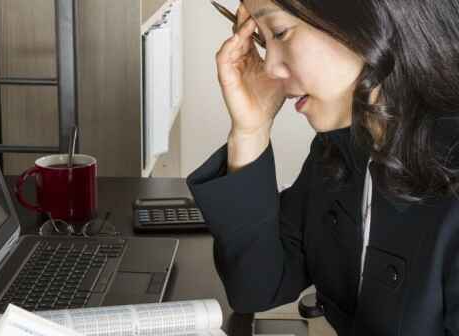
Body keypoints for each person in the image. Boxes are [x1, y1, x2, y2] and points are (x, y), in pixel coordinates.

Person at [185, 0, 459, 335]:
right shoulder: (343, 149)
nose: (269, 67)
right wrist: (251, 132)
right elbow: (256, 287)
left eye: (280, 33)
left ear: (370, 17)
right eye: (264, 40)